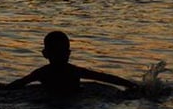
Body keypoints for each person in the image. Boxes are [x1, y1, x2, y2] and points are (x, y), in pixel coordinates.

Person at [7, 30, 137, 93]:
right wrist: (131, 85)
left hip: (49, 102)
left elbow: (17, 85)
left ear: (45, 54)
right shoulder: (74, 71)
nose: (60, 56)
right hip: (74, 102)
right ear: (69, 54)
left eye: (61, 52)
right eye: (57, 52)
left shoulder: (42, 73)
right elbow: (105, 78)